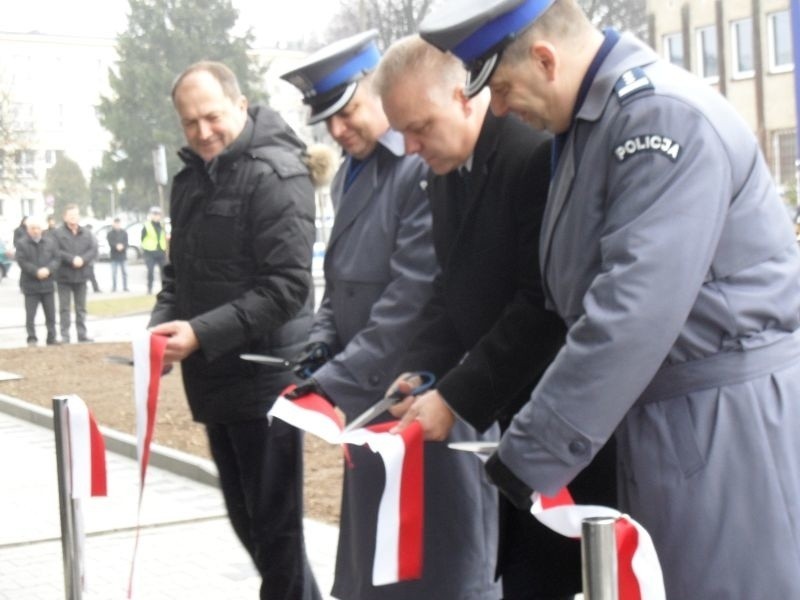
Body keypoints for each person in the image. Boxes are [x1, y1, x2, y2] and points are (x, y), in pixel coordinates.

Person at [417, 1, 800, 599]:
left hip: (720, 424)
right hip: (669, 419)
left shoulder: (657, 120)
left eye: (504, 86)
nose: (498, 106)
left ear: (545, 59)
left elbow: (630, 312)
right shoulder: (592, 128)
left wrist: (530, 453)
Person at [376, 35, 616, 599]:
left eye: (420, 127)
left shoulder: (530, 155)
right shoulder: (443, 170)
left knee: (563, 575)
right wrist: (420, 370)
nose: (410, 146)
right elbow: (452, 289)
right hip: (516, 423)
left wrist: (455, 398)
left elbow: (542, 305)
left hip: (569, 423)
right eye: (402, 131)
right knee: (526, 577)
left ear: (464, 97)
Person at [281, 31, 500, 600]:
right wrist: (319, 348)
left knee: (440, 565)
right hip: (371, 400)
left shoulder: (422, 167)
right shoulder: (355, 175)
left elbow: (415, 295)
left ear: (379, 89)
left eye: (347, 110)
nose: (336, 130)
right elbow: (342, 283)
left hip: (423, 392)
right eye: (326, 120)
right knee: (378, 566)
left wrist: (336, 382)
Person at [148, 60, 321, 600]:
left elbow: (287, 287)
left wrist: (198, 333)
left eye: (212, 117)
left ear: (241, 105)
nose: (202, 132)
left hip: (265, 381)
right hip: (215, 381)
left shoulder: (275, 174)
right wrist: (159, 333)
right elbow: (178, 276)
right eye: (189, 122)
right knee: (252, 527)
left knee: (276, 536)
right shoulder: (190, 181)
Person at [53, 204, 96, 343]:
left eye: (76, 215)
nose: (73, 218)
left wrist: (83, 259)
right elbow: (55, 251)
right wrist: (72, 259)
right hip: (64, 276)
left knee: (81, 308)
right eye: (71, 215)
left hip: (82, 275)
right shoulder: (57, 233)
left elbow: (93, 249)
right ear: (65, 217)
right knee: (64, 308)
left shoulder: (86, 233)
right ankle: (65, 335)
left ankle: (82, 334)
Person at [15, 215, 60, 346]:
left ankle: (51, 337)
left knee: (50, 314)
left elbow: (57, 259)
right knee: (31, 315)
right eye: (33, 228)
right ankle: (32, 338)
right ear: (28, 229)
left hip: (47, 284)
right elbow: (22, 261)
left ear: (42, 229)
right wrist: (36, 271)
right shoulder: (22, 243)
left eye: (38, 228)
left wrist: (49, 270)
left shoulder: (50, 242)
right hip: (30, 285)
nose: (35, 231)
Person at [141, 206, 167, 294]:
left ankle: (165, 289)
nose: (156, 216)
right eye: (154, 214)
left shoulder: (162, 225)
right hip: (150, 252)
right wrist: (145, 249)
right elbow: (142, 238)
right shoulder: (147, 225)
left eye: (158, 215)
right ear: (151, 215)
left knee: (164, 272)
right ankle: (149, 288)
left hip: (160, 252)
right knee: (150, 271)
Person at [107, 218, 129, 292]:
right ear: (113, 224)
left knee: (124, 273)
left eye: (118, 223)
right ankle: (114, 287)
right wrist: (116, 246)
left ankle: (125, 287)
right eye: (115, 223)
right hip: (114, 256)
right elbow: (110, 243)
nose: (117, 225)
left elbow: (126, 243)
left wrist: (122, 246)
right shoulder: (110, 233)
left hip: (123, 256)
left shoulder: (124, 233)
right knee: (114, 273)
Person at [84, 223, 102, 293]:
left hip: (89, 260)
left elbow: (95, 248)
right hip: (88, 260)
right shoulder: (91, 236)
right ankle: (95, 288)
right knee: (90, 275)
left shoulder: (90, 237)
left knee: (90, 275)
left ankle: (94, 288)